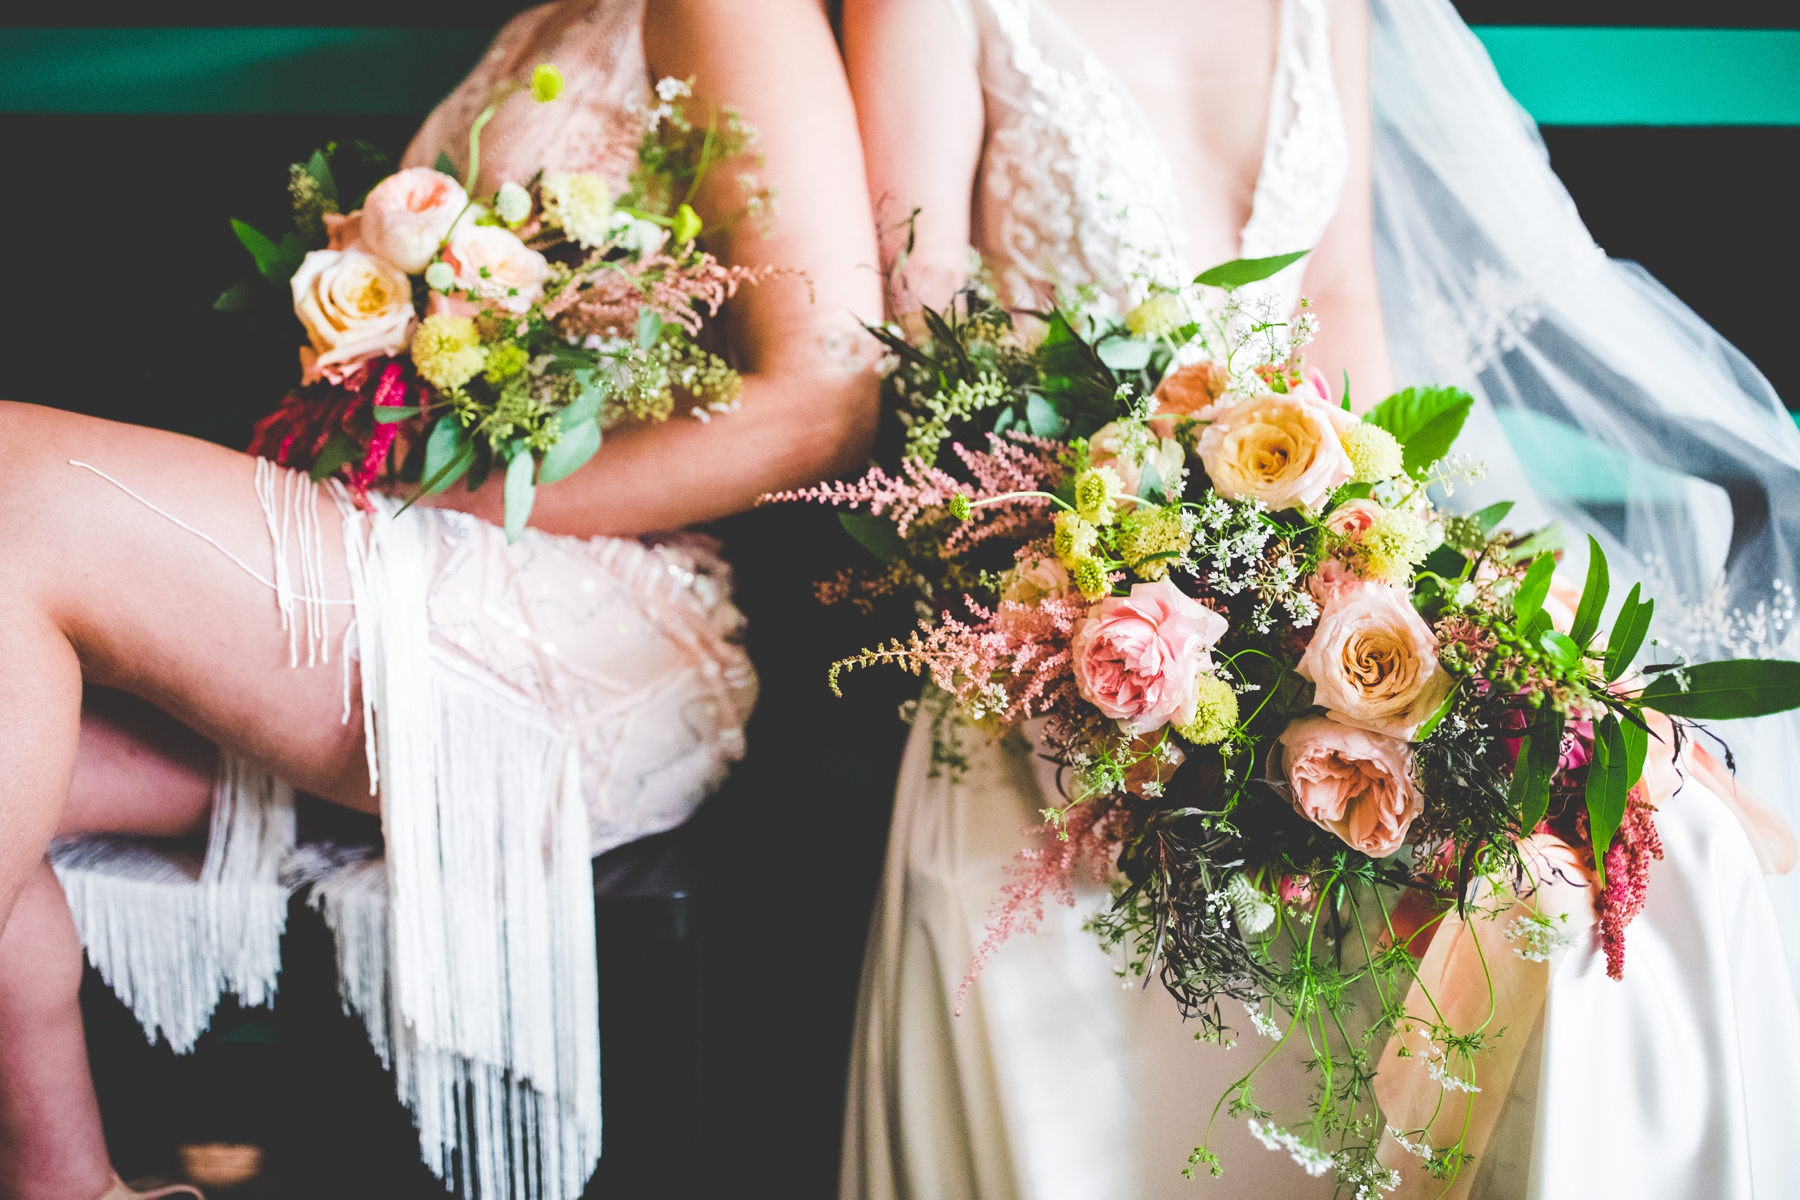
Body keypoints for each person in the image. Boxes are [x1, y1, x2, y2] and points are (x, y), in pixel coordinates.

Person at [837, 1, 1800, 1197]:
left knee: (1637, 855)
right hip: (1067, 609)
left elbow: (1337, 295)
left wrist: (1374, 553)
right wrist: (1139, 579)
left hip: (1313, 530)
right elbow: (922, 342)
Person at [0, 3, 881, 1199]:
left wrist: (446, 492)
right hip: (430, 540)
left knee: (16, 483)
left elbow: (819, 408)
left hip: (594, 614)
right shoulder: (546, 22)